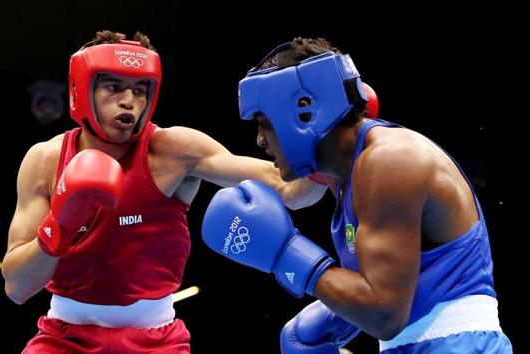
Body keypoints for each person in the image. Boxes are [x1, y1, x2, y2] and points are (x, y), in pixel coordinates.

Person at [1, 30, 324, 354]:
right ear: (82, 89)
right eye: (114, 87)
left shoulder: (174, 150)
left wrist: (324, 142)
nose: (130, 100)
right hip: (63, 338)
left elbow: (291, 191)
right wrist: (60, 225)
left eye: (141, 90)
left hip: (157, 342)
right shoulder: (45, 160)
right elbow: (17, 286)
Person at [201, 37, 512, 353]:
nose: (260, 141)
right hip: (414, 346)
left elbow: (384, 315)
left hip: (460, 345)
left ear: (303, 108)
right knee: (300, 340)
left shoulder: (388, 161)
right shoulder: (346, 178)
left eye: (264, 124)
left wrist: (286, 252)